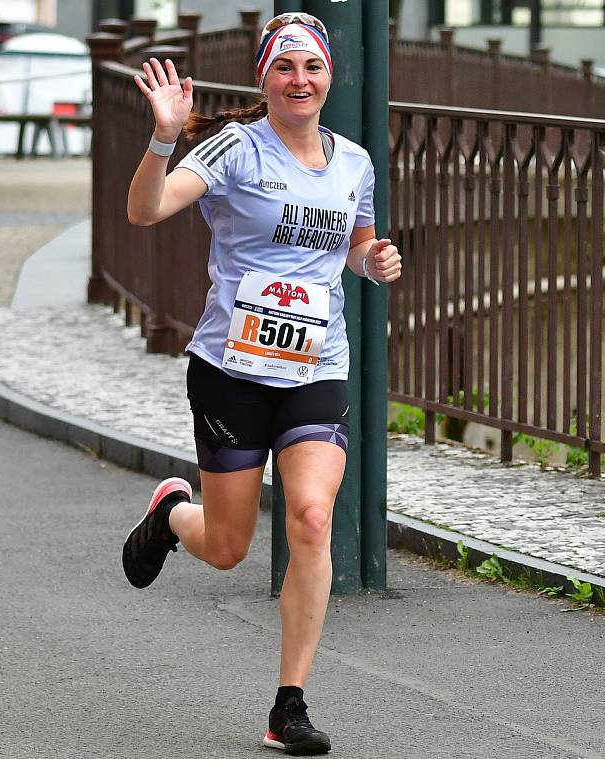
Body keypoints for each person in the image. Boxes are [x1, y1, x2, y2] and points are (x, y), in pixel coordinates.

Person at [122, 12, 401, 756]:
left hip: (316, 364)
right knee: (226, 546)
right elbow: (144, 211)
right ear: (264, 78)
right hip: (231, 372)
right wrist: (161, 136)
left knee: (311, 517)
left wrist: (371, 261)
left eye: (312, 67)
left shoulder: (355, 162)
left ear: (329, 76)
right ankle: (173, 510)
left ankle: (289, 706)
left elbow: (356, 241)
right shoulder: (235, 148)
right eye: (285, 68)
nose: (299, 81)